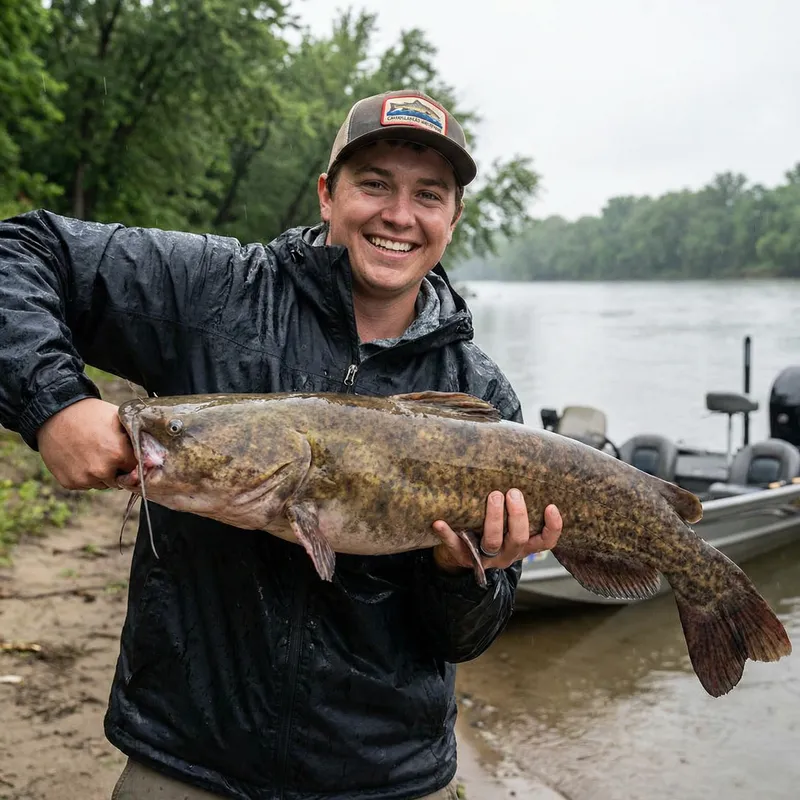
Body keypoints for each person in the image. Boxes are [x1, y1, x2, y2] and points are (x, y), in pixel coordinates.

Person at [0, 89, 562, 799]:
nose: (398, 214)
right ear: (329, 194)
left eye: (428, 194)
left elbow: (464, 639)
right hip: (187, 761)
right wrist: (55, 404)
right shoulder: (214, 292)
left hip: (385, 781)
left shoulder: (482, 400)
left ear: (452, 218)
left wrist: (466, 575)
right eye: (375, 184)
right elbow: (19, 250)